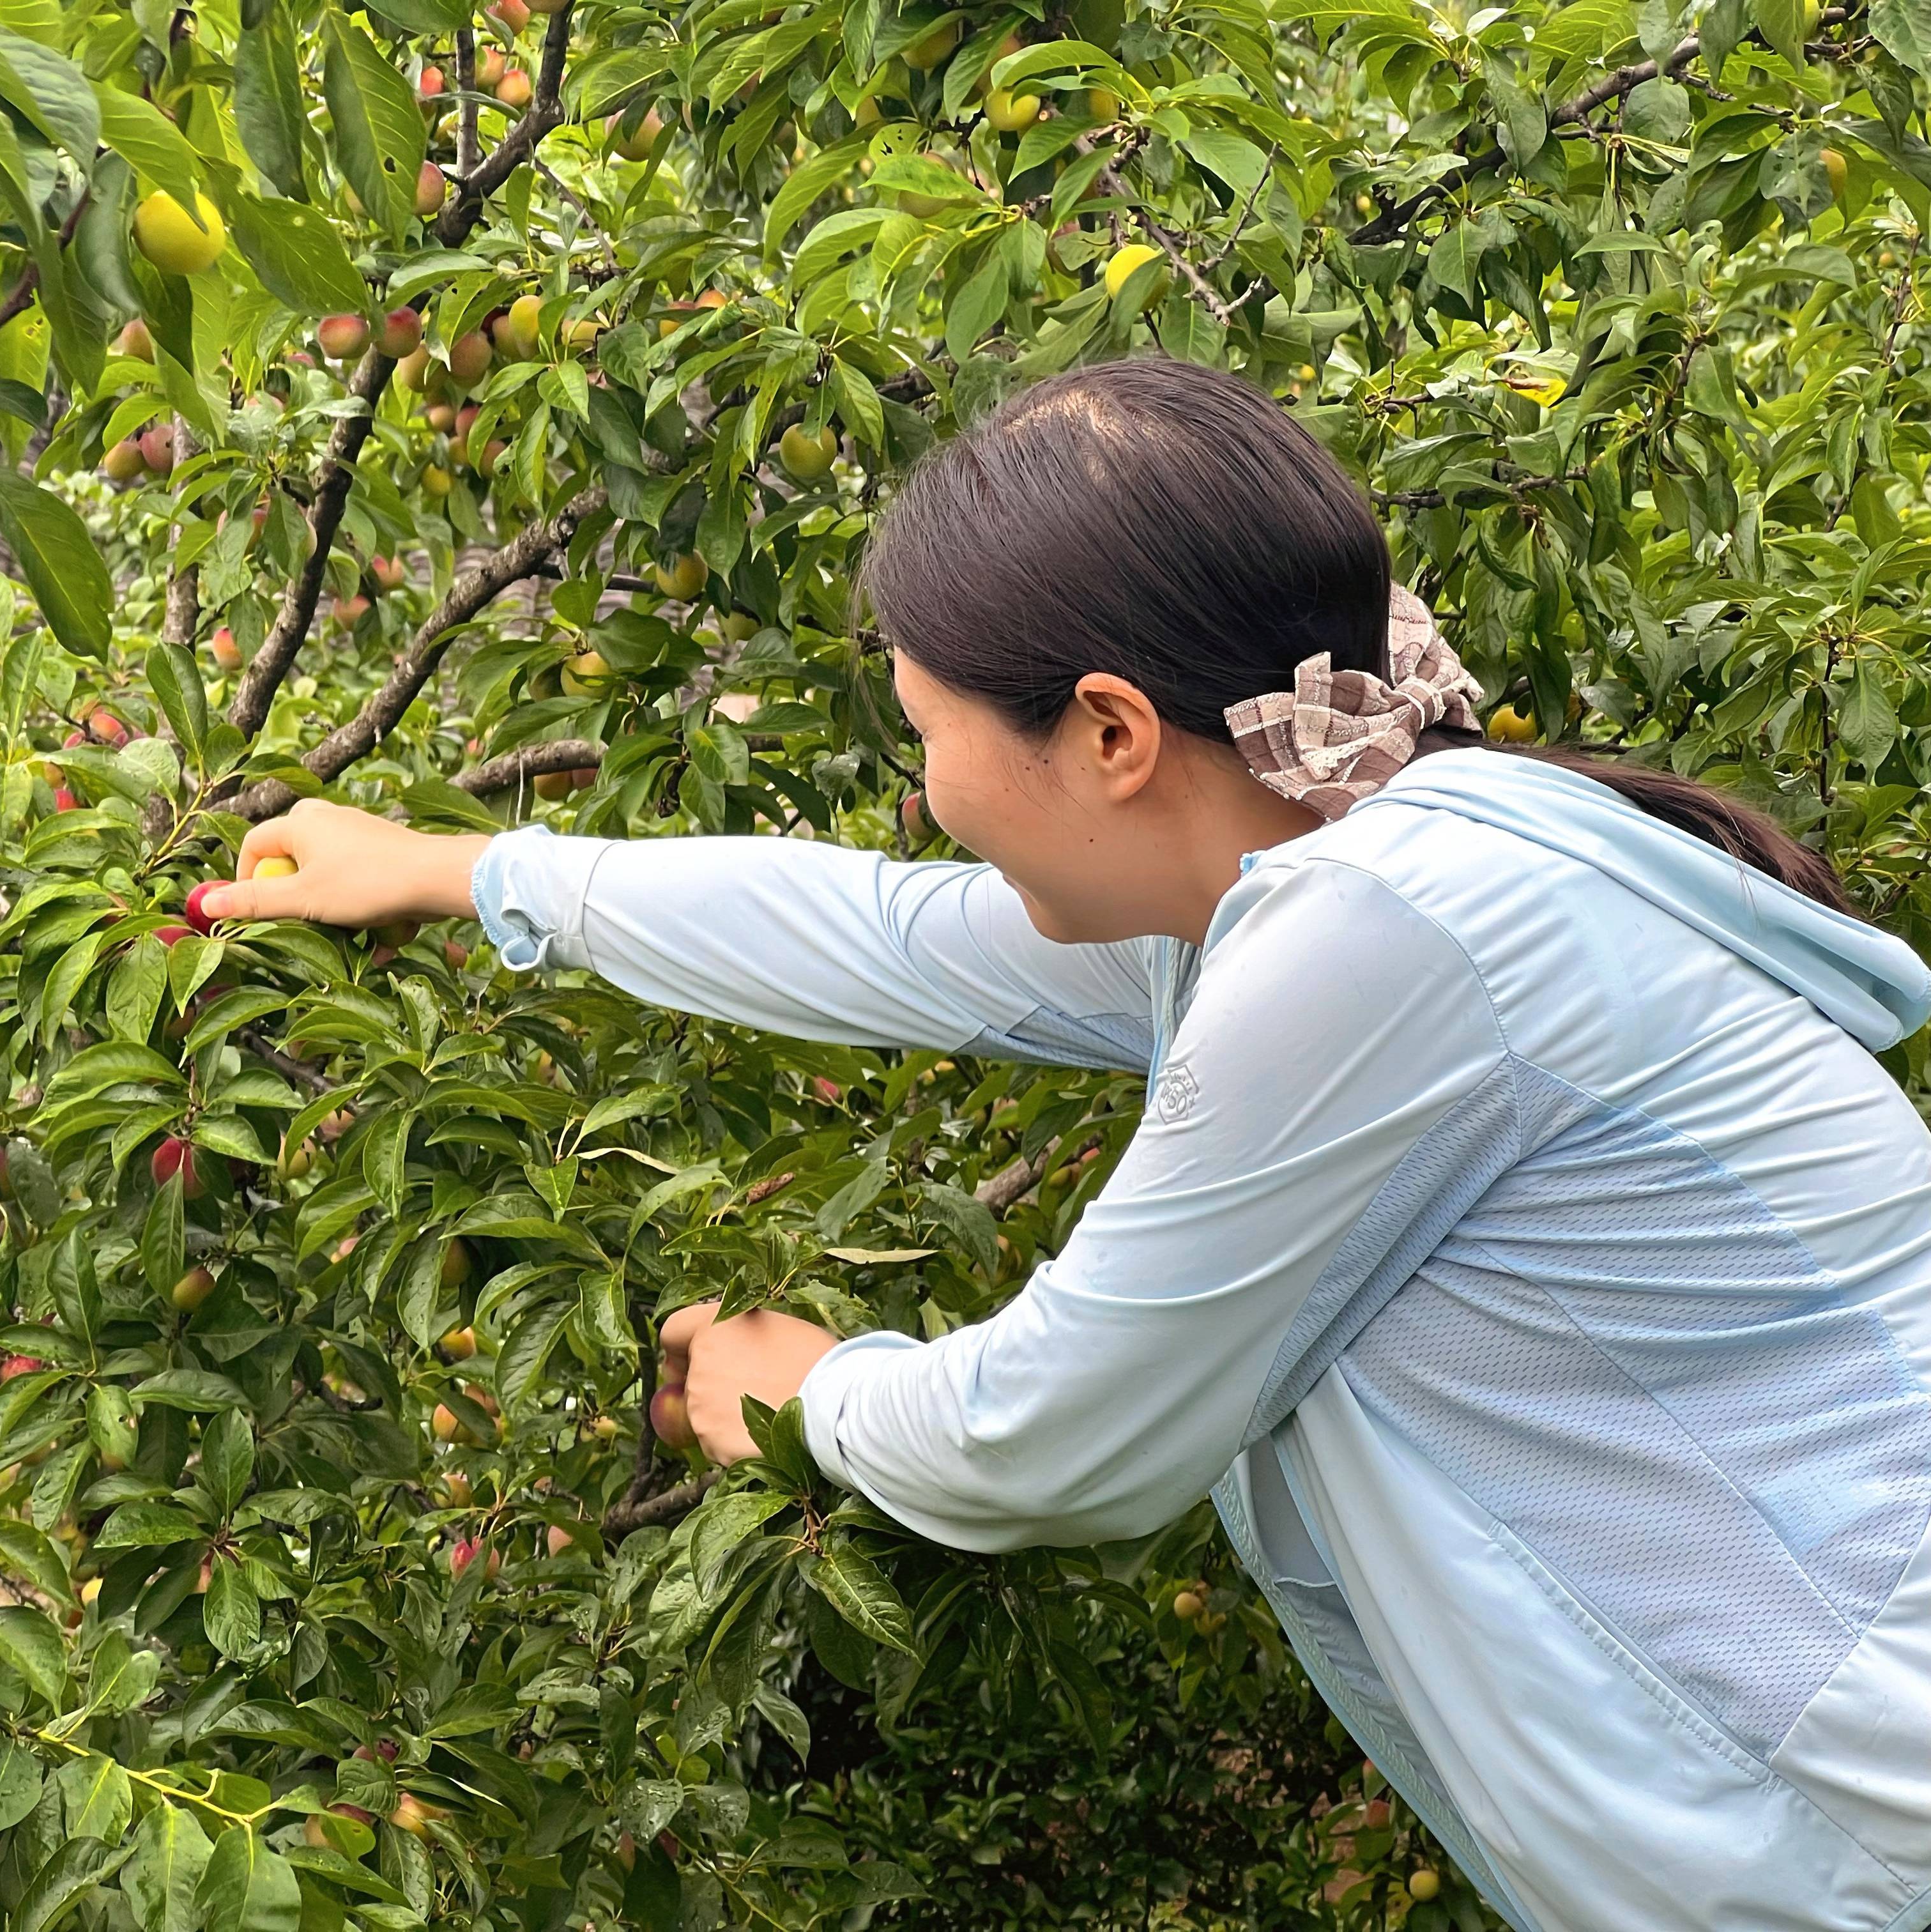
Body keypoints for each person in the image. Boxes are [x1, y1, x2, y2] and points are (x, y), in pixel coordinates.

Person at [187, 359, 1931, 1932]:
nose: (925, 786)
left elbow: (1054, 1438)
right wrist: (466, 872)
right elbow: (884, 936)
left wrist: (804, 1392)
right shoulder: (1339, 864)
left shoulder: (1382, 938)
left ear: (1107, 733)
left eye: (929, 734)